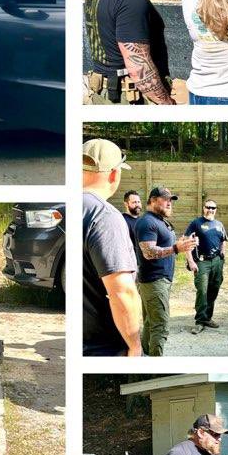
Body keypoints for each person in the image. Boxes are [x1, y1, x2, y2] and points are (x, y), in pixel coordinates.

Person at [82, 138, 142, 355]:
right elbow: (121, 291)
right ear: (114, 174)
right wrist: (135, 346)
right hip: (100, 349)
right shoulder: (103, 216)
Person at [134, 187, 199, 356]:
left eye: (171, 200)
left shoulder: (160, 221)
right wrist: (176, 248)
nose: (170, 203)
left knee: (150, 322)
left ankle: (144, 355)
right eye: (165, 199)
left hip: (158, 282)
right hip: (154, 281)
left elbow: (165, 246)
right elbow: (148, 252)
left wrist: (184, 243)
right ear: (153, 200)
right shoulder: (147, 222)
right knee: (160, 326)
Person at [184, 199, 228, 334]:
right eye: (208, 207)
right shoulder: (196, 223)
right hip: (202, 262)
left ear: (216, 209)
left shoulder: (219, 224)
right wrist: (191, 261)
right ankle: (199, 321)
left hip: (217, 262)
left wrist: (222, 256)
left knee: (213, 289)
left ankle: (207, 318)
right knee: (202, 291)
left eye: (213, 208)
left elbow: (223, 240)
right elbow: (186, 241)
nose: (210, 210)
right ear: (204, 208)